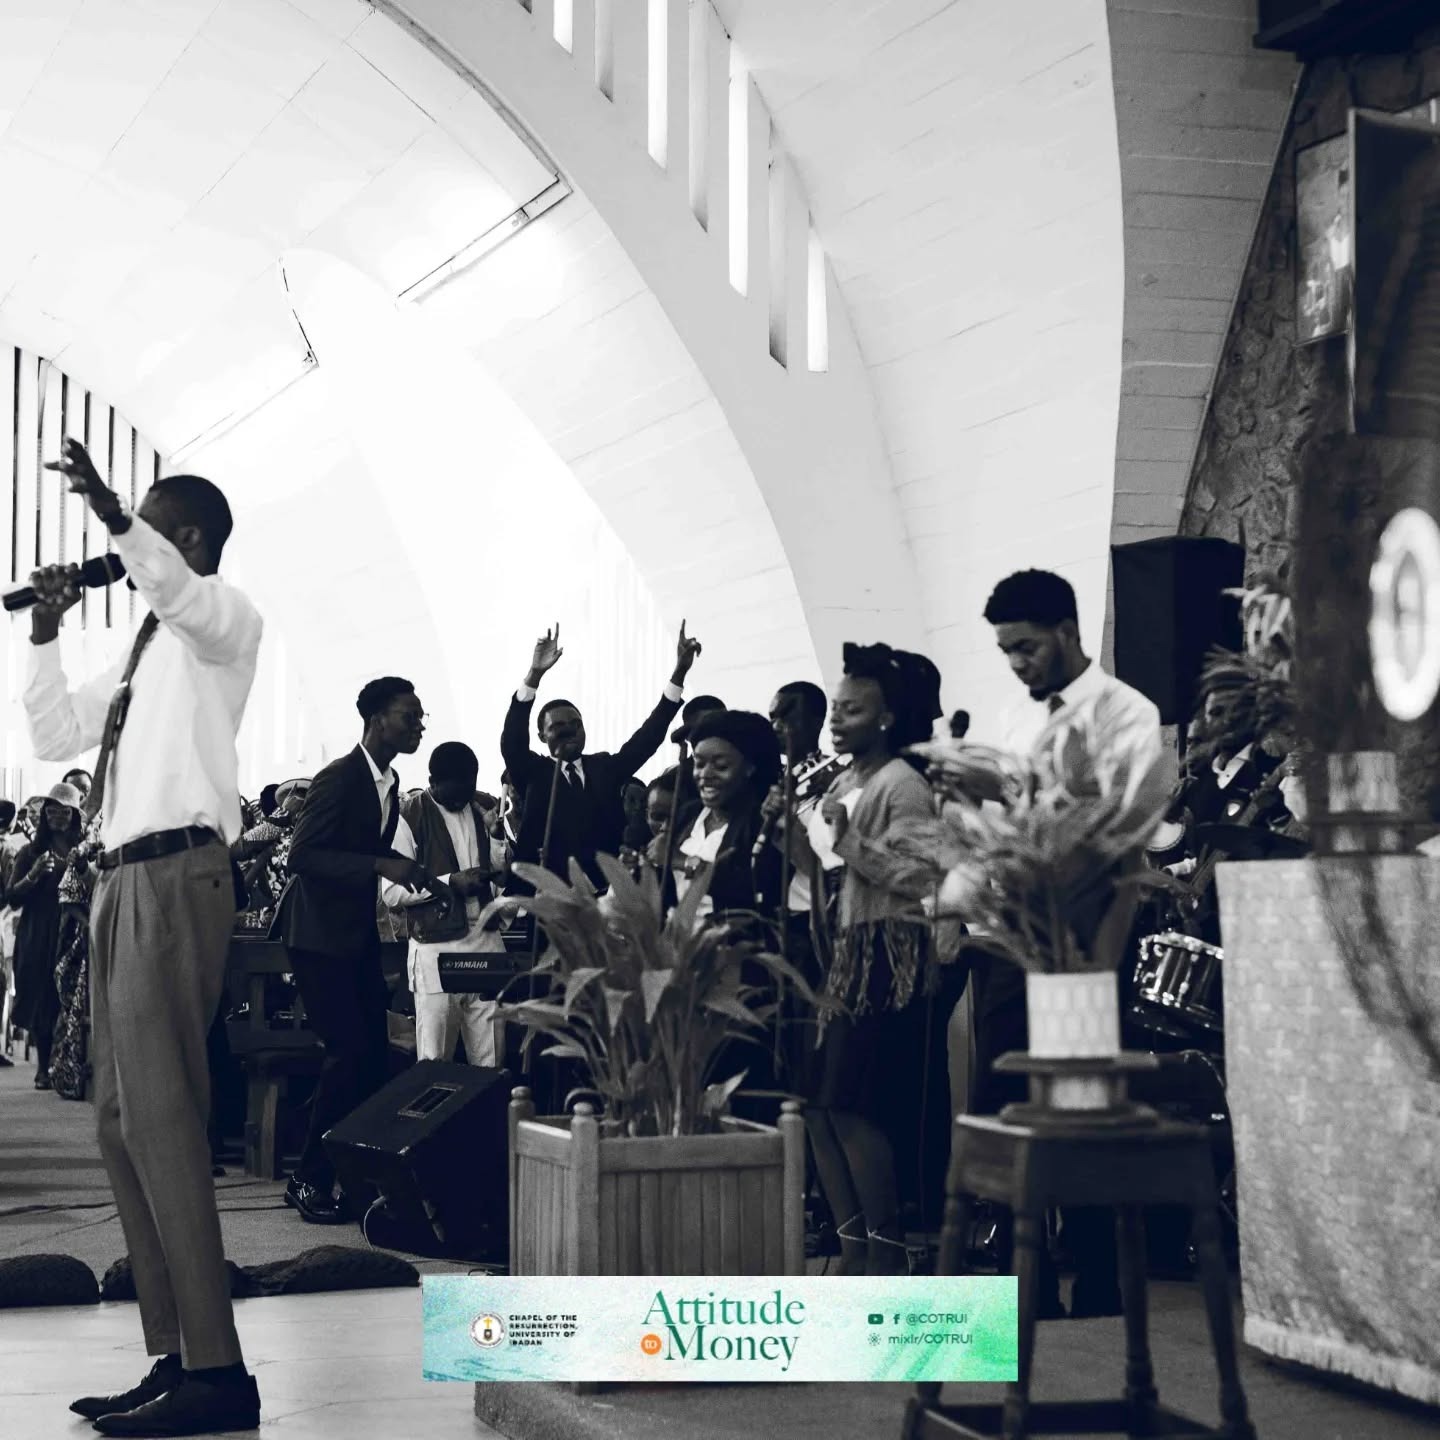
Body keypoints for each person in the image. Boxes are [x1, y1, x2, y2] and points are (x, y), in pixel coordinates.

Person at [25, 436, 264, 1435]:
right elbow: (52, 737)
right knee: (121, 1123)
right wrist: (45, 632)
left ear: (187, 538)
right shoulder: (146, 654)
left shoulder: (223, 620)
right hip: (120, 881)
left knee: (164, 1117)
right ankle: (173, 1353)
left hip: (176, 874)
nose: (125, 549)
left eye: (146, 529)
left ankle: (220, 1371)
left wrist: (114, 514)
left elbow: (169, 584)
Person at [970, 567, 1163, 1318]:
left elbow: (1127, 822)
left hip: (1090, 922)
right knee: (1005, 1089)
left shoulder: (1126, 710)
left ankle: (1100, 1269)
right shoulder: (1013, 718)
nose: (1016, 664)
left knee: (1082, 1092)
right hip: (1015, 927)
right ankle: (1025, 1274)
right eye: (1005, 652)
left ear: (1067, 632)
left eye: (1026, 647)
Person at [800, 643, 957, 1275]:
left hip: (887, 953)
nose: (836, 720)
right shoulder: (843, 780)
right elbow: (824, 869)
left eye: (853, 710)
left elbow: (919, 875)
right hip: (842, 951)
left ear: (887, 717)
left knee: (853, 1104)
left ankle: (885, 1251)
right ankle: (851, 1243)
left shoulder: (903, 783)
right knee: (817, 1107)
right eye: (835, 708)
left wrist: (848, 839)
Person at [278, 676, 444, 1225]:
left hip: (353, 936)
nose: (419, 725)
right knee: (348, 1053)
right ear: (376, 719)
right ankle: (307, 1178)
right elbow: (302, 856)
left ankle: (349, 1173)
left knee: (372, 1057)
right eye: (409, 715)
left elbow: (364, 851)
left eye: (420, 717)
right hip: (317, 937)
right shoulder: (340, 777)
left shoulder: (389, 781)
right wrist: (379, 864)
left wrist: (413, 873)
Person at [500, 622, 703, 889]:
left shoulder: (605, 766)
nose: (569, 731)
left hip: (607, 891)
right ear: (541, 736)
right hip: (548, 894)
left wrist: (679, 673)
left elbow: (647, 739)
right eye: (557, 727)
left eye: (576, 725)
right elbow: (512, 742)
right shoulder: (533, 772)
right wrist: (534, 676)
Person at [382, 741, 505, 1065]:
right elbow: (391, 893)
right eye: (454, 793)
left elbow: (502, 874)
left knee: (491, 1060)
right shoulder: (407, 816)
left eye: (468, 789)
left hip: (486, 942)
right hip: (436, 950)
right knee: (434, 1062)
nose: (462, 800)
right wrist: (449, 883)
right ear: (432, 782)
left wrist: (496, 837)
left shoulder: (484, 807)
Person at [8, 782, 84, 1090]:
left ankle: (67, 1066)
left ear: (74, 815)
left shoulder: (84, 849)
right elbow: (12, 897)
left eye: (64, 811)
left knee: (72, 998)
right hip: (39, 932)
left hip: (74, 928)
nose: (56, 817)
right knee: (43, 996)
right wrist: (34, 873)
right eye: (51, 811)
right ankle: (43, 1068)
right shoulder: (31, 852)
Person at [49, 808, 105, 1101]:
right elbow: (69, 893)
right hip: (95, 935)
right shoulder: (91, 843)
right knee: (79, 1005)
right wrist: (92, 925)